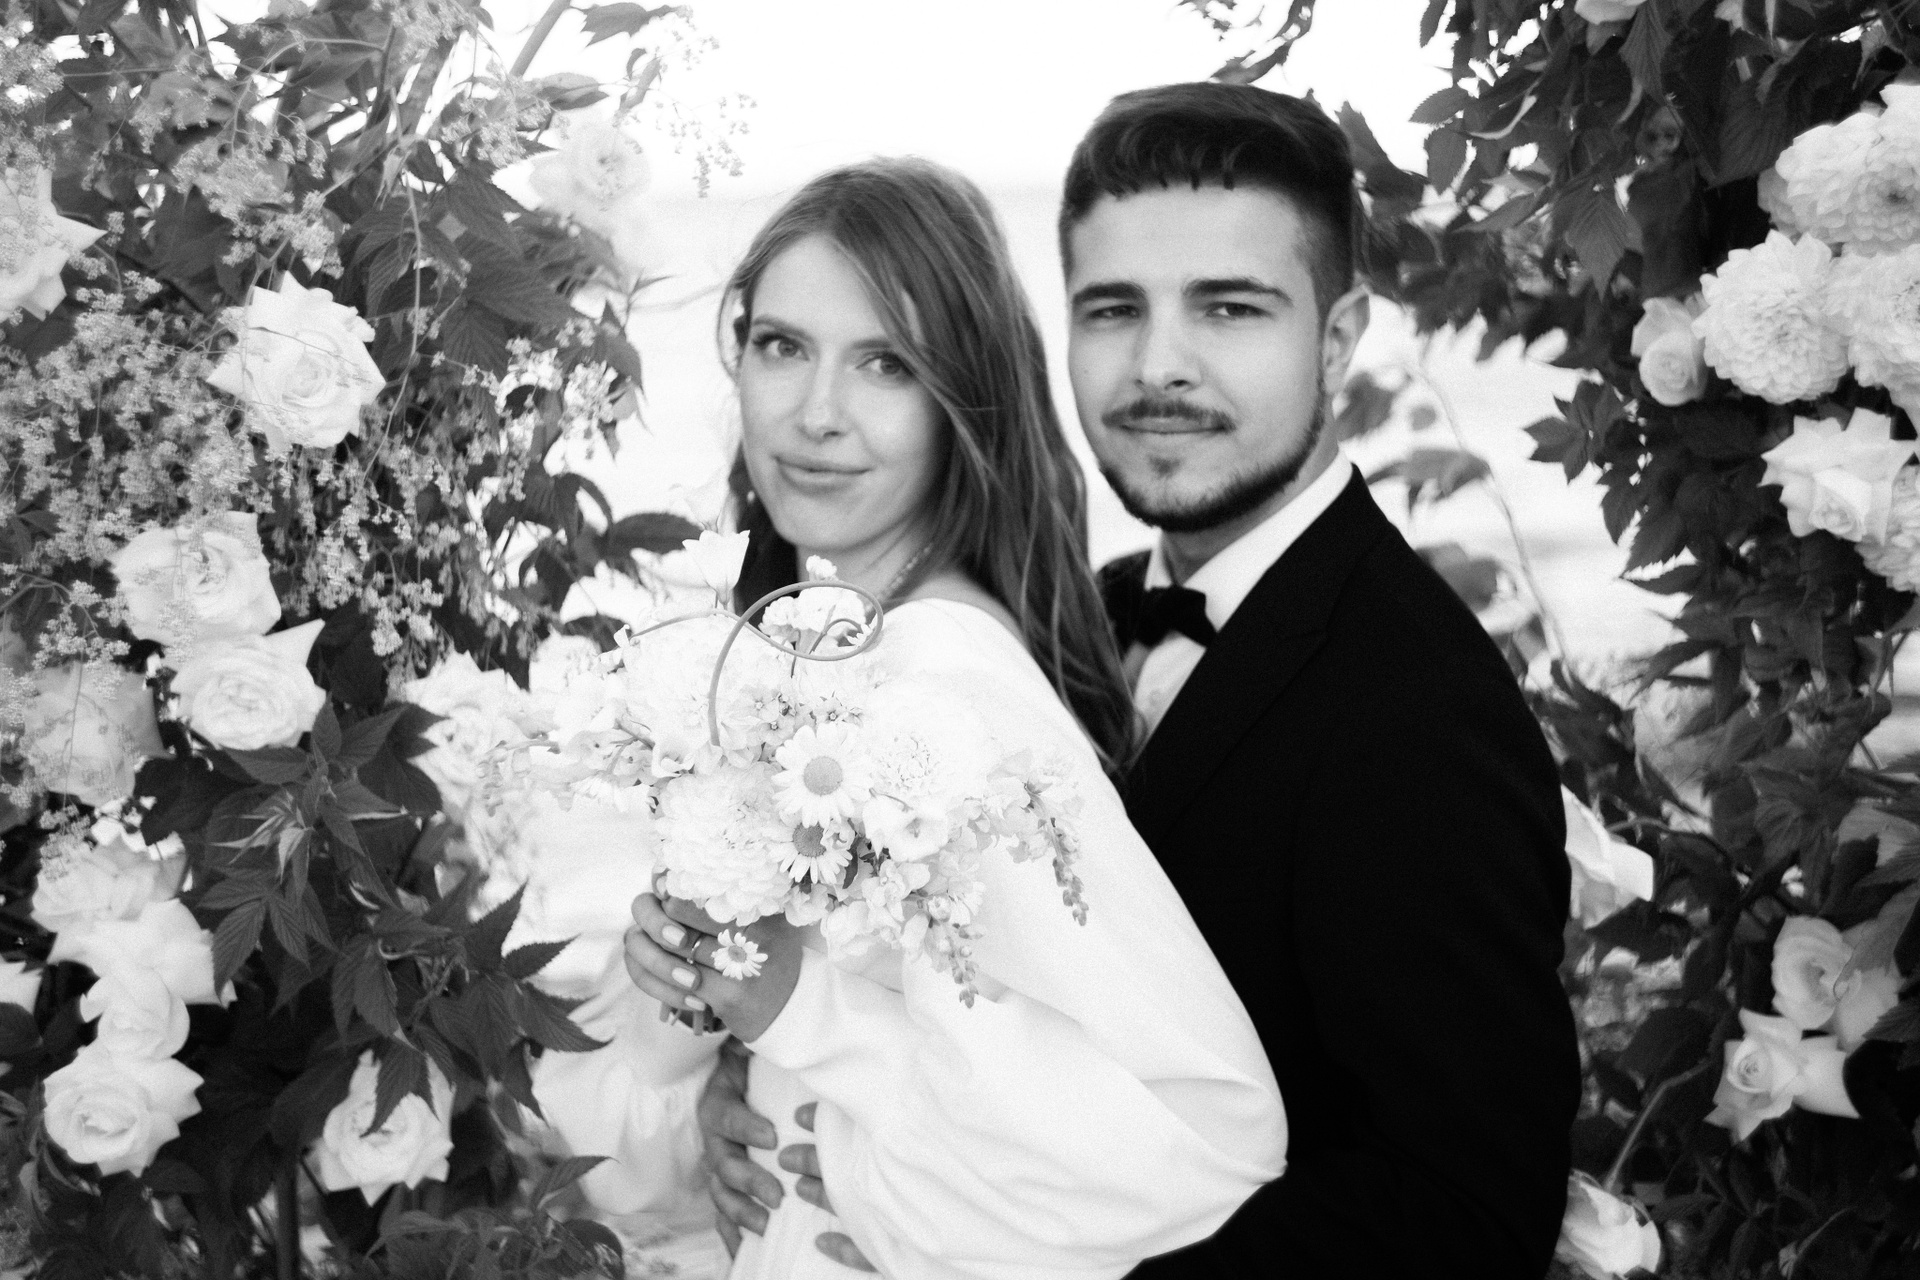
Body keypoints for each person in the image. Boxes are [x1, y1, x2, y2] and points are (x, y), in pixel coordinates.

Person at [698, 85, 1582, 1277]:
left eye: (1229, 308)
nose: (1160, 364)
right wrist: (763, 1084)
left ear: (1336, 338)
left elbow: (1463, 1211)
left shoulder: (1415, 703)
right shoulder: (1082, 617)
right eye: (1114, 309)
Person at [621, 156, 1286, 1280]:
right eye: (782, 346)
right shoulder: (830, 644)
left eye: (886, 364)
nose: (816, 414)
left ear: (961, 401)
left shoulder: (941, 677)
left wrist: (799, 1016)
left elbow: (1195, 1140)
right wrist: (736, 1061)